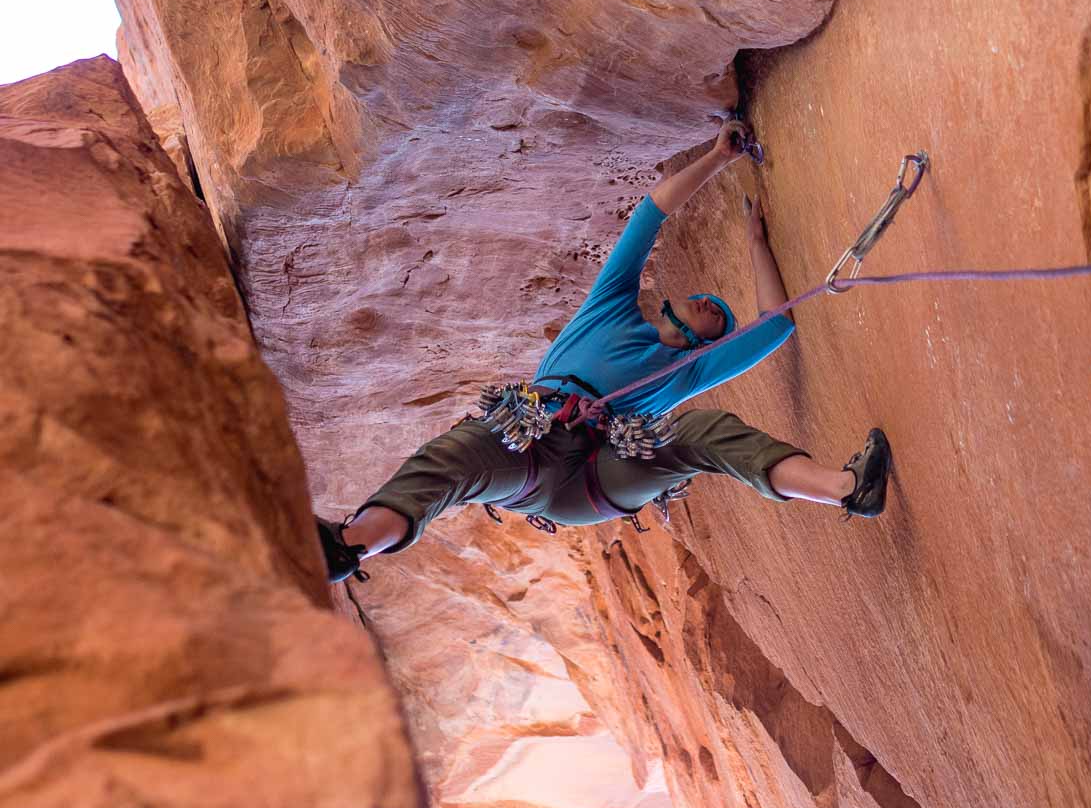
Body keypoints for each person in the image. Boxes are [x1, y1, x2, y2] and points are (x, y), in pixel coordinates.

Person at [318, 122, 891, 583]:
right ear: (669, 303)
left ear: (708, 343)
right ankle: (349, 546)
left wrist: (757, 243)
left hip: (594, 479)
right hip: (529, 440)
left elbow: (774, 324)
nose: (712, 306)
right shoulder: (610, 305)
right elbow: (651, 214)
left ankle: (845, 489)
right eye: (707, 300)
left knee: (701, 434)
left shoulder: (684, 371)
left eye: (720, 317)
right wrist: (718, 158)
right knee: (453, 460)